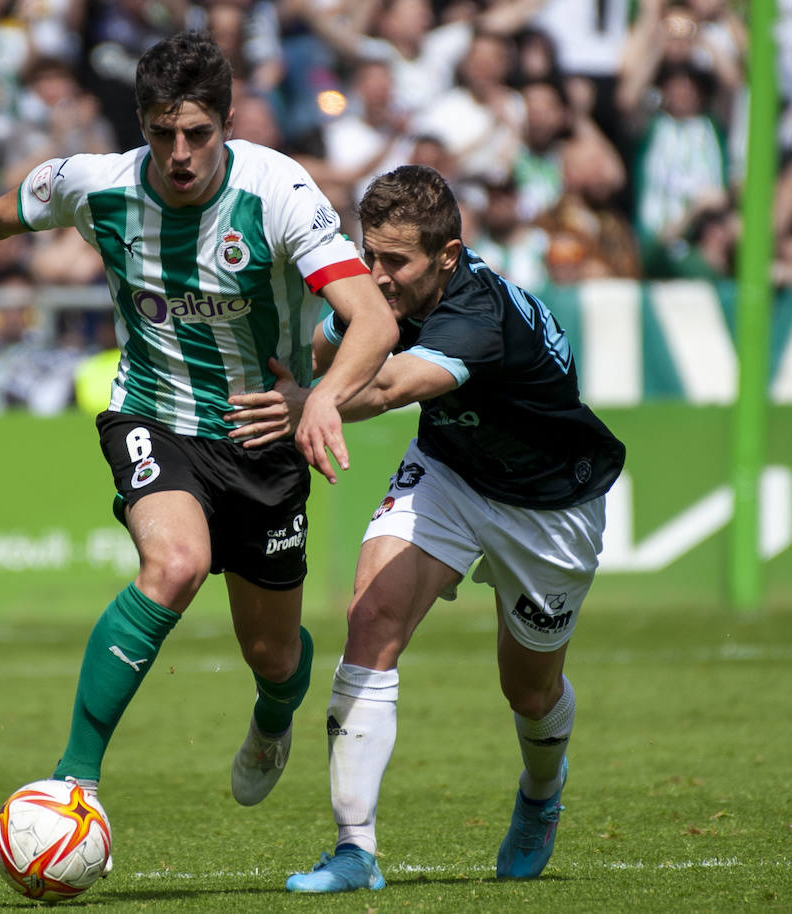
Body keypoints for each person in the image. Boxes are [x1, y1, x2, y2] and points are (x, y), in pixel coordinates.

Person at [0, 31, 397, 819]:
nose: (179, 153)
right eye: (162, 134)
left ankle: (274, 712)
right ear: (142, 125)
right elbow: (0, 214)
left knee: (273, 653)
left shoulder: (279, 193)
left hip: (259, 431)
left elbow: (373, 320)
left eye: (197, 134)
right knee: (176, 566)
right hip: (151, 410)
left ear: (226, 124)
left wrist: (320, 399)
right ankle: (72, 780)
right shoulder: (98, 185)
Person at [226, 164, 626, 891]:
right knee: (370, 616)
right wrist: (318, 359)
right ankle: (355, 851)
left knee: (529, 691)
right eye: (366, 253)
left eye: (395, 261)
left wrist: (311, 404)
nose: (374, 274)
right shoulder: (381, 288)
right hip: (451, 472)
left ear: (447, 255)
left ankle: (541, 792)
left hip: (551, 506)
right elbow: (336, 345)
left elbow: (390, 385)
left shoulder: (478, 314)